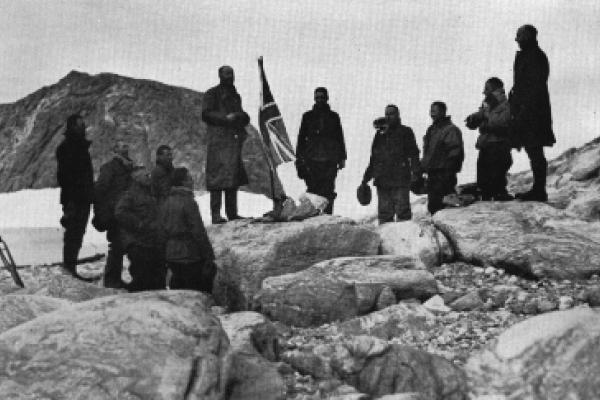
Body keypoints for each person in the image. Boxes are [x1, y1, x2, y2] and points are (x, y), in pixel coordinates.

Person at [509, 24, 555, 202]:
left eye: (519, 35)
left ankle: (539, 191)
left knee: (535, 149)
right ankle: (538, 189)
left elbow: (534, 88)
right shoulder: (528, 55)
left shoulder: (535, 56)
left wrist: (523, 111)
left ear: (528, 36)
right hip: (526, 110)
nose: (516, 39)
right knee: (532, 148)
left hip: (533, 112)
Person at [202, 65, 250, 224]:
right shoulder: (212, 93)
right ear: (220, 76)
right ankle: (216, 215)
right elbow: (206, 114)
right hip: (218, 141)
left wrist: (240, 116)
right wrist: (225, 118)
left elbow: (242, 114)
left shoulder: (236, 96)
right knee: (217, 178)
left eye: (232, 74)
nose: (230, 77)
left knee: (233, 177)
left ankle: (232, 213)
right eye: (227, 74)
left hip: (232, 140)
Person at [160, 168, 216, 293]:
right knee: (195, 289)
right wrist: (208, 255)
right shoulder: (188, 201)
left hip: (171, 253)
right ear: (183, 182)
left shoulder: (166, 201)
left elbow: (161, 229)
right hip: (189, 253)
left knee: (178, 288)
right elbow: (198, 230)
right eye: (189, 178)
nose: (192, 181)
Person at [362, 105, 420, 223]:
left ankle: (404, 240)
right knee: (384, 215)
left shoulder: (405, 132)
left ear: (398, 115)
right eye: (387, 114)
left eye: (392, 113)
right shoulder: (380, 134)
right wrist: (366, 178)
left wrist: (416, 173)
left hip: (400, 179)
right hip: (382, 180)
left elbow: (414, 154)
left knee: (403, 214)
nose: (388, 116)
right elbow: (374, 158)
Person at [55, 113, 95, 281]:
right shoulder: (68, 148)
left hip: (81, 197)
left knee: (77, 233)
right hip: (75, 198)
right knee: (73, 234)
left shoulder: (78, 146)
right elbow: (65, 177)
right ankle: (69, 269)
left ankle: (71, 268)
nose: (84, 127)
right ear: (72, 127)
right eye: (80, 125)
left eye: (83, 125)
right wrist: (72, 200)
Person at [295, 87, 347, 214]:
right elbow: (301, 138)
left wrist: (342, 157)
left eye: (322, 97)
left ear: (327, 98)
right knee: (312, 189)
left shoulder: (333, 117)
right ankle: (313, 215)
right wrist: (299, 159)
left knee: (328, 190)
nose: (320, 100)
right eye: (317, 97)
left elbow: (339, 137)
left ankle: (327, 215)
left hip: (330, 159)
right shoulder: (307, 116)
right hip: (312, 159)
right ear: (314, 98)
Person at [115, 168, 165, 291]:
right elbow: (120, 212)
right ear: (136, 178)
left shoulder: (151, 193)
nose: (149, 177)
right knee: (142, 277)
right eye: (146, 175)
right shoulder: (130, 194)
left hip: (152, 241)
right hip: (138, 243)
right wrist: (139, 224)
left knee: (157, 277)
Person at [93, 138, 134, 288]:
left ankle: (115, 279)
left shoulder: (128, 167)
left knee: (123, 245)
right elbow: (100, 190)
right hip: (115, 214)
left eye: (126, 145)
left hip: (126, 212)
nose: (126, 148)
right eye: (122, 146)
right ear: (115, 151)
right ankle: (111, 280)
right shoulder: (110, 168)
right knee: (117, 246)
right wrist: (106, 211)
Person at [465, 77, 513, 201]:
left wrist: (484, 118)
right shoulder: (487, 104)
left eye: (486, 88)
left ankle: (499, 197)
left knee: (497, 181)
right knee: (483, 183)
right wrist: (473, 119)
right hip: (486, 144)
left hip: (499, 145)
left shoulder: (507, 104)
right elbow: (482, 117)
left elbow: (501, 122)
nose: (483, 92)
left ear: (495, 89)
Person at [420, 102, 464, 215]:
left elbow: (455, 152)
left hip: (444, 174)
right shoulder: (431, 130)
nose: (432, 113)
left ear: (443, 112)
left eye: (435, 111)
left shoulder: (450, 130)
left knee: (444, 206)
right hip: (432, 174)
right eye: (431, 111)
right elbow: (428, 153)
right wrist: (422, 167)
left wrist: (450, 171)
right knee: (433, 205)